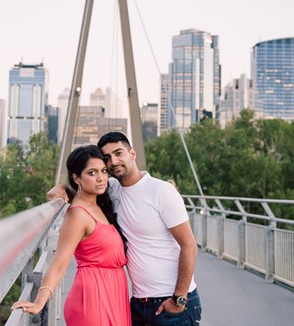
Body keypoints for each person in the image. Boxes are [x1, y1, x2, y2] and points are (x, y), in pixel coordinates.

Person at [48, 132, 202, 326]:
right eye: (107, 158)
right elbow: (85, 194)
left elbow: (189, 246)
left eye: (119, 153)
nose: (114, 161)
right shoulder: (111, 189)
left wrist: (179, 299)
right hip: (137, 303)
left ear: (132, 153)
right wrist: (62, 188)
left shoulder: (161, 191)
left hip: (171, 301)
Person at [12, 145, 131, 326]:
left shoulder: (98, 205)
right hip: (93, 299)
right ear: (77, 178)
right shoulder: (77, 215)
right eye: (92, 173)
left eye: (104, 171)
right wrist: (39, 302)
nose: (101, 178)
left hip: (114, 295)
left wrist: (64, 188)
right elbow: (59, 264)